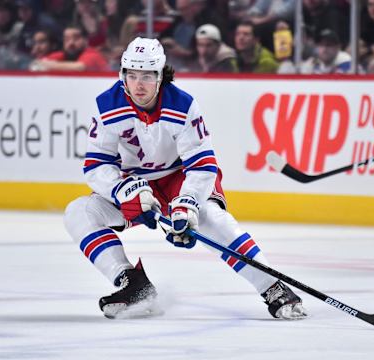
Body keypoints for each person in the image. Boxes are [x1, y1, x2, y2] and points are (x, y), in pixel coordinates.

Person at [63, 37, 307, 320]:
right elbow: (96, 165)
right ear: (122, 74)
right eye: (131, 75)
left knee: (211, 217)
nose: (138, 84)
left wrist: (188, 202)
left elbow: (202, 164)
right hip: (136, 186)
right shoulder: (107, 105)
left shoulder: (183, 105)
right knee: (79, 212)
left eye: (146, 76)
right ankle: (132, 284)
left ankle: (273, 287)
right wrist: (121, 189)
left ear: (160, 76)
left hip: (180, 177)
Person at [30, 25, 109, 71]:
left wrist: (47, 65)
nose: (71, 43)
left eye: (76, 38)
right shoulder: (62, 55)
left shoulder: (92, 54)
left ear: (86, 41)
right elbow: (37, 63)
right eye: (67, 39)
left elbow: (79, 67)